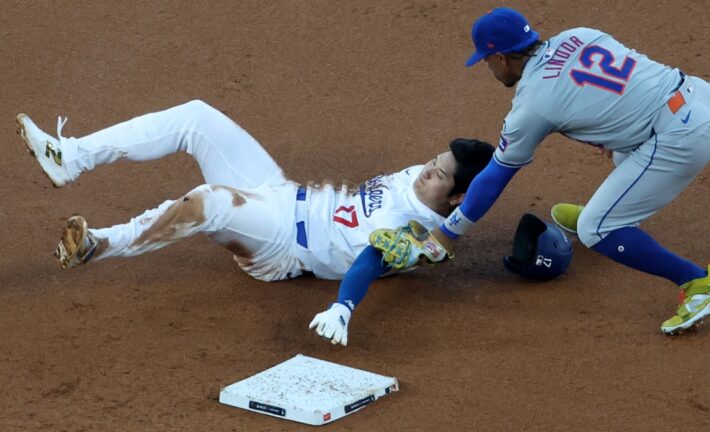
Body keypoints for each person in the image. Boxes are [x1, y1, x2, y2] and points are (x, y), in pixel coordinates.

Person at [370, 7, 710, 335]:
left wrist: (446, 235)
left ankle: (699, 283)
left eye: (486, 61)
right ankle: (611, 213)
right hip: (701, 95)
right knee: (625, 150)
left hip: (681, 137)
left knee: (598, 229)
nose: (487, 67)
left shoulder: (532, 106)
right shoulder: (578, 34)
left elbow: (495, 177)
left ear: (501, 58)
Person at [17, 100, 494, 345]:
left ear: (454, 198)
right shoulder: (425, 180)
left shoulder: (418, 235)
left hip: (282, 246)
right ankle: (71, 155)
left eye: (439, 175)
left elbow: (372, 258)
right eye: (433, 161)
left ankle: (98, 244)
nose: (426, 170)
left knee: (210, 202)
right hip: (283, 193)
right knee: (196, 116)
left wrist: (344, 307)